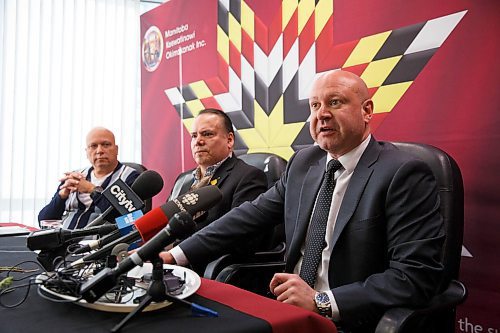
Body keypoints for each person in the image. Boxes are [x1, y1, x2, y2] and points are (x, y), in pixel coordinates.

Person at [160, 70, 445, 332]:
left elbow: (413, 277)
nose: (322, 114)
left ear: (367, 110)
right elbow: (248, 216)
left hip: (349, 319)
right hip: (288, 312)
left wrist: (322, 301)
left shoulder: (402, 172)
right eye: (314, 106)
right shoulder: (304, 163)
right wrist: (175, 255)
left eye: (335, 102)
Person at [38, 127, 140, 230]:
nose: (99, 151)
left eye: (106, 145)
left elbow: (131, 220)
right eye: (93, 146)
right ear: (87, 152)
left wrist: (92, 190)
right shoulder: (75, 177)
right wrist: (61, 196)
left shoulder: (130, 177)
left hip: (102, 244)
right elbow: (44, 220)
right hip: (65, 242)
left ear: (116, 149)